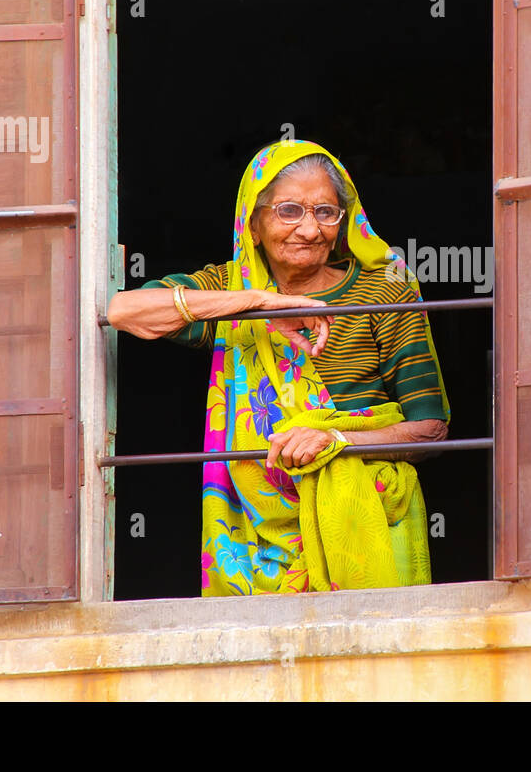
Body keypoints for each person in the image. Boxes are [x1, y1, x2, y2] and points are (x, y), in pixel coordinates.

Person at [106, 140, 450, 594]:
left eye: (326, 212)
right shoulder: (228, 291)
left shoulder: (384, 290)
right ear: (253, 222)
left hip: (362, 517)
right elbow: (123, 310)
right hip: (255, 544)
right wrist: (260, 303)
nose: (309, 230)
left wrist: (337, 441)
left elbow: (431, 430)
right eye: (289, 211)